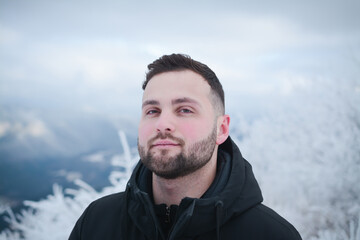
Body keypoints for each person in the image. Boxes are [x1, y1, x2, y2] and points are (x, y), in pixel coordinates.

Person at [69, 53, 302, 240]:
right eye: (152, 111)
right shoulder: (96, 223)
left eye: (185, 110)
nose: (163, 124)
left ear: (221, 129)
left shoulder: (272, 234)